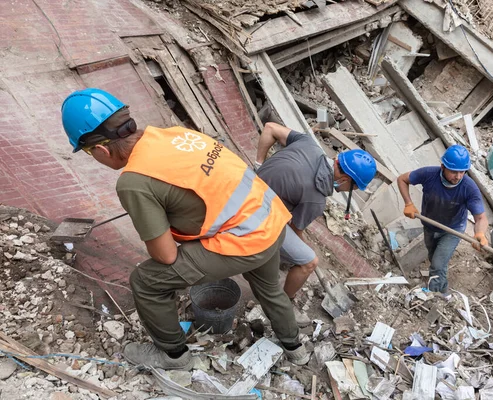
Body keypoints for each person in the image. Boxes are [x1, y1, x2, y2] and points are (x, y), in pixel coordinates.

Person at [61, 89, 309, 370]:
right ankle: (295, 349)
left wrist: (151, 218)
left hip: (245, 238)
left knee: (146, 282)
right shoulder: (174, 134)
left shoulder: (134, 182)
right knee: (270, 289)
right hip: (270, 219)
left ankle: (173, 356)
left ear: (101, 150)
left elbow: (165, 256)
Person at [254, 122, 377, 299]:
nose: (351, 192)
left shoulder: (309, 144)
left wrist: (259, 164)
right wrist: (305, 248)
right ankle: (284, 299)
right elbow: (296, 229)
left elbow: (270, 128)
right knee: (309, 262)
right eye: (354, 187)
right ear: (344, 179)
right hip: (255, 214)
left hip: (249, 185)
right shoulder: (316, 199)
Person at [396, 145, 488, 295]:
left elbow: (481, 218)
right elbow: (402, 179)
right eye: (453, 171)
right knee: (435, 260)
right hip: (430, 225)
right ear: (442, 167)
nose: (458, 176)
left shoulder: (469, 188)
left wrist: (480, 233)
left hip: (452, 230)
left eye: (462, 171)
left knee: (437, 264)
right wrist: (408, 203)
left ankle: (433, 296)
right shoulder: (428, 174)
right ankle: (444, 290)